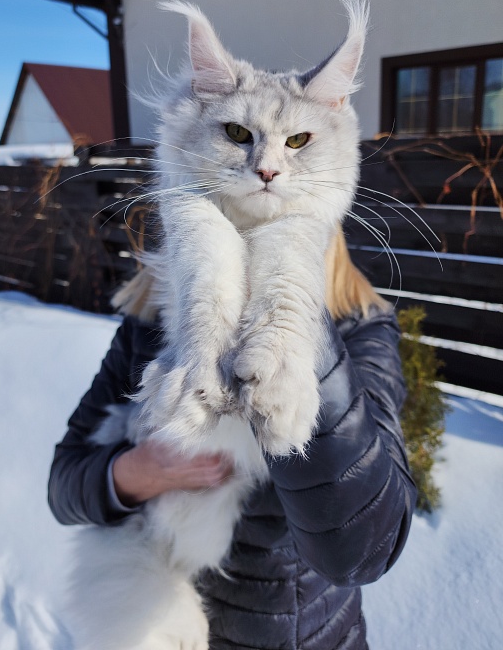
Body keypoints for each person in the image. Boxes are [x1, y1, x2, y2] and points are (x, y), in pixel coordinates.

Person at [48, 227, 417, 650]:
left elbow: (362, 550)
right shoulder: (147, 319)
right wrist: (142, 471)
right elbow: (64, 483)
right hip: (151, 619)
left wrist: (289, 326)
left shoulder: (362, 330)